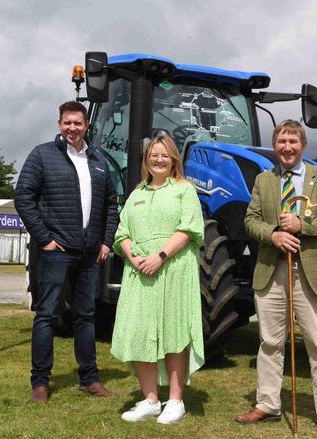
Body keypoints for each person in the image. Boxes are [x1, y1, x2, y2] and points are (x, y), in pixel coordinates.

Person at [235, 119, 317, 435]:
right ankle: (268, 405)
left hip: (311, 272)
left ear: (303, 145)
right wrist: (274, 235)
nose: (287, 147)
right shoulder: (263, 181)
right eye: (281, 141)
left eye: (292, 142)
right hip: (272, 270)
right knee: (269, 342)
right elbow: (251, 220)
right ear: (275, 145)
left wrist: (303, 227)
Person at [15, 101, 119, 402]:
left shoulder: (98, 160)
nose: (72, 128)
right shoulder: (42, 155)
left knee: (86, 316)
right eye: (67, 123)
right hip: (56, 250)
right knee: (47, 314)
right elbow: (23, 197)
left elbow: (110, 205)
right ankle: (40, 383)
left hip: (89, 254)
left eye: (78, 123)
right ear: (59, 125)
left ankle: (90, 379)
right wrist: (44, 238)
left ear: (87, 125)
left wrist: (106, 241)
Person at [110, 135, 205, 424]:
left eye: (165, 155)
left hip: (173, 270)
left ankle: (175, 401)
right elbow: (121, 234)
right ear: (146, 159)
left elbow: (189, 229)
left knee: (174, 330)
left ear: (174, 159)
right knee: (140, 331)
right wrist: (133, 256)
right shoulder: (136, 193)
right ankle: (151, 399)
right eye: (154, 155)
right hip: (139, 273)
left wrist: (159, 256)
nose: (159, 159)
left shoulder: (184, 191)